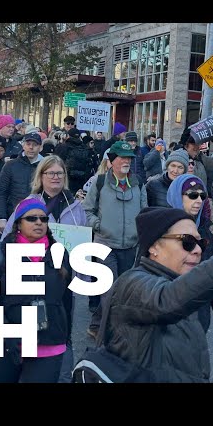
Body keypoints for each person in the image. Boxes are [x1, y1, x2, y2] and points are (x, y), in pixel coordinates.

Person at [95, 203, 213, 383]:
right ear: (154, 246)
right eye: (187, 242)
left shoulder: (180, 284)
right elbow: (168, 300)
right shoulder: (132, 283)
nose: (197, 250)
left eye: (201, 243)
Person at [0, 198, 74, 383]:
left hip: (48, 343)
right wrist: (6, 332)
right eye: (31, 218)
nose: (39, 222)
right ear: (18, 224)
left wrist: (65, 336)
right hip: (4, 342)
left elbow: (67, 300)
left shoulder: (60, 254)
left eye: (43, 219)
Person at [82, 141, 147, 338]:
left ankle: (95, 324)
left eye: (129, 158)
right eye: (122, 157)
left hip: (130, 245)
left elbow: (145, 212)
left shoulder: (138, 183)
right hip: (105, 245)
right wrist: (99, 226)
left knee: (122, 289)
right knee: (109, 290)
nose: (126, 161)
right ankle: (106, 335)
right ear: (111, 161)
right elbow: (87, 210)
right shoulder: (99, 182)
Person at [167, 174, 213, 344]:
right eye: (193, 195)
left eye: (203, 196)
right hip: (167, 315)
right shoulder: (161, 230)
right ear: (178, 196)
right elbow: (142, 275)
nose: (199, 200)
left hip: (198, 320)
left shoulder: (205, 235)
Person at [0, 132, 43, 235]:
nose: (31, 147)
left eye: (35, 145)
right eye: (28, 144)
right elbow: (1, 192)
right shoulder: (10, 165)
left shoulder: (45, 167)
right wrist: (1, 217)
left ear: (40, 147)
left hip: (38, 219)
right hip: (13, 216)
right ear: (23, 145)